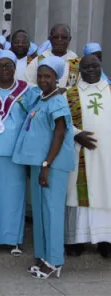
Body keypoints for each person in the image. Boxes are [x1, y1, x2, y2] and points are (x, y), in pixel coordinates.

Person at [12, 55, 75, 279]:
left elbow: (59, 133)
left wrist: (47, 165)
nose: (42, 79)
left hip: (53, 166)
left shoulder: (58, 101)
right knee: (40, 213)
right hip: (40, 165)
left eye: (47, 76)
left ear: (56, 78)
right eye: (40, 75)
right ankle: (42, 255)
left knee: (52, 212)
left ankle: (54, 260)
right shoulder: (41, 98)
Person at [0, 50, 35, 256]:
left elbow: (32, 119)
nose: (4, 69)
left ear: (15, 67)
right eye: (0, 66)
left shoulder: (26, 90)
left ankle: (14, 239)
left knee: (14, 197)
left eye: (8, 65)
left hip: (15, 153)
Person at [64, 54, 111, 258]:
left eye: (95, 66)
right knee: (78, 194)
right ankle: (76, 240)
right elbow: (62, 121)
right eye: (86, 67)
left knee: (106, 191)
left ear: (101, 67)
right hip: (80, 152)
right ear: (79, 71)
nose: (90, 70)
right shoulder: (70, 94)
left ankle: (105, 240)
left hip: (107, 155)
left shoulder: (110, 91)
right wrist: (77, 134)